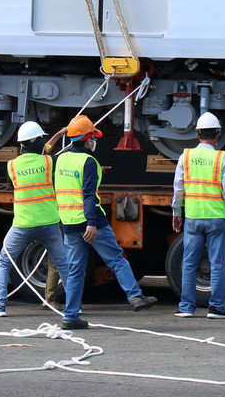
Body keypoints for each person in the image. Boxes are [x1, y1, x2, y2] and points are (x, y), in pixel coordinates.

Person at [55, 114, 157, 329]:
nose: (95, 140)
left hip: (69, 223)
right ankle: (135, 296)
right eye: (93, 136)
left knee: (75, 271)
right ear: (86, 139)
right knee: (117, 259)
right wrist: (91, 222)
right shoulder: (89, 162)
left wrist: (60, 133)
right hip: (92, 222)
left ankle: (70, 316)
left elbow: (49, 156)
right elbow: (89, 194)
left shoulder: (60, 159)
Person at [0, 121, 70, 317]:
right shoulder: (50, 162)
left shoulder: (12, 166)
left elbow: (42, 150)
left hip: (23, 224)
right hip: (49, 224)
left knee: (4, 262)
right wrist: (61, 134)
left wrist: (57, 134)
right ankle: (74, 306)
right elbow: (47, 153)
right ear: (33, 142)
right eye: (40, 139)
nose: (43, 142)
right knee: (63, 264)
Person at [172, 112, 225, 319]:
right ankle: (217, 308)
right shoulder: (221, 158)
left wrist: (177, 213)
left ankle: (186, 307)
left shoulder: (185, 157)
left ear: (197, 134)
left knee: (189, 262)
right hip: (216, 218)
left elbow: (178, 189)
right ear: (218, 136)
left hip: (192, 217)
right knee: (218, 263)